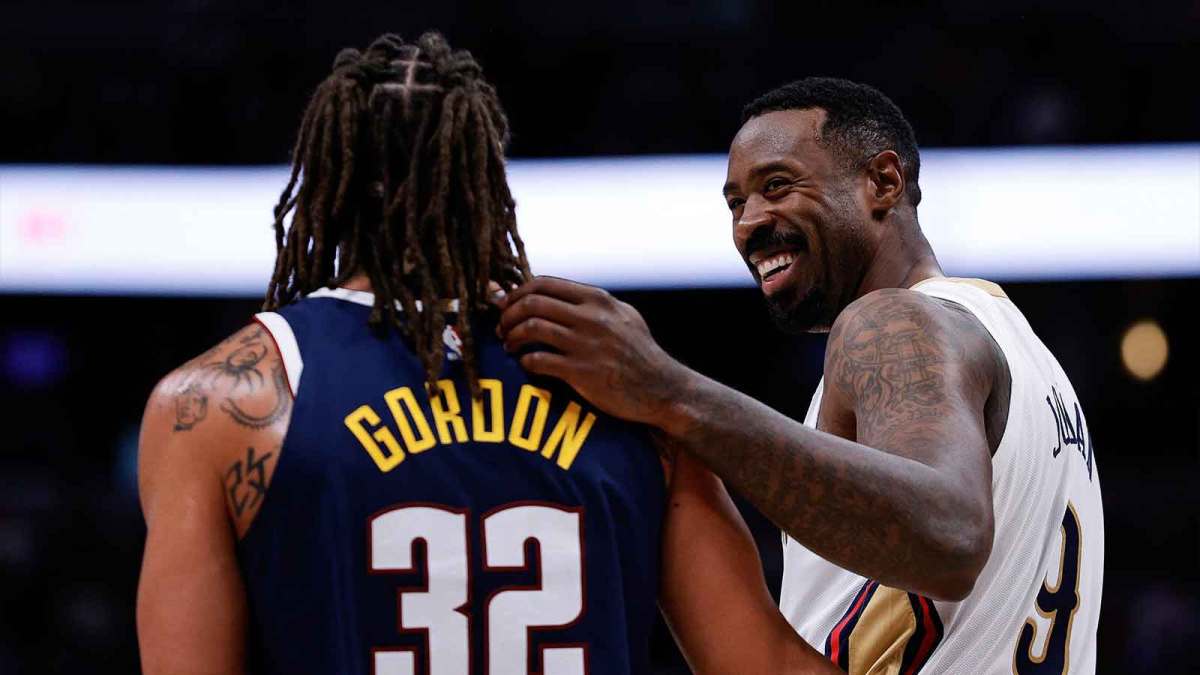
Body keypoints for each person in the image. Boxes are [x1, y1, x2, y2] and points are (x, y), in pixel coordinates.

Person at [136, 33, 835, 675]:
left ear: (329, 179)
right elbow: (764, 665)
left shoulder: (221, 400)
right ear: (486, 176)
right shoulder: (625, 376)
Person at [498, 77, 1104, 673]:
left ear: (883, 182)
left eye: (778, 186)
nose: (748, 223)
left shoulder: (892, 323)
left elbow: (947, 537)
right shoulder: (1026, 356)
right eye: (736, 203)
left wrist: (668, 390)